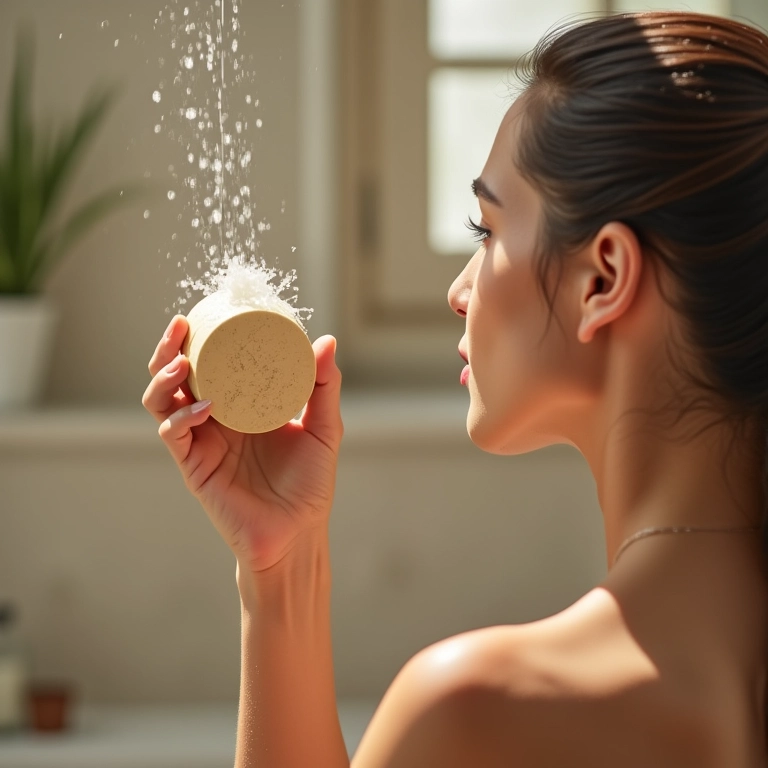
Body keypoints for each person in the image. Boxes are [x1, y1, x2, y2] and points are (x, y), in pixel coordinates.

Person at [142, 10, 768, 767]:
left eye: (488, 231)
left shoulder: (479, 713)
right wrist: (282, 561)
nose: (458, 290)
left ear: (604, 277)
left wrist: (277, 581)